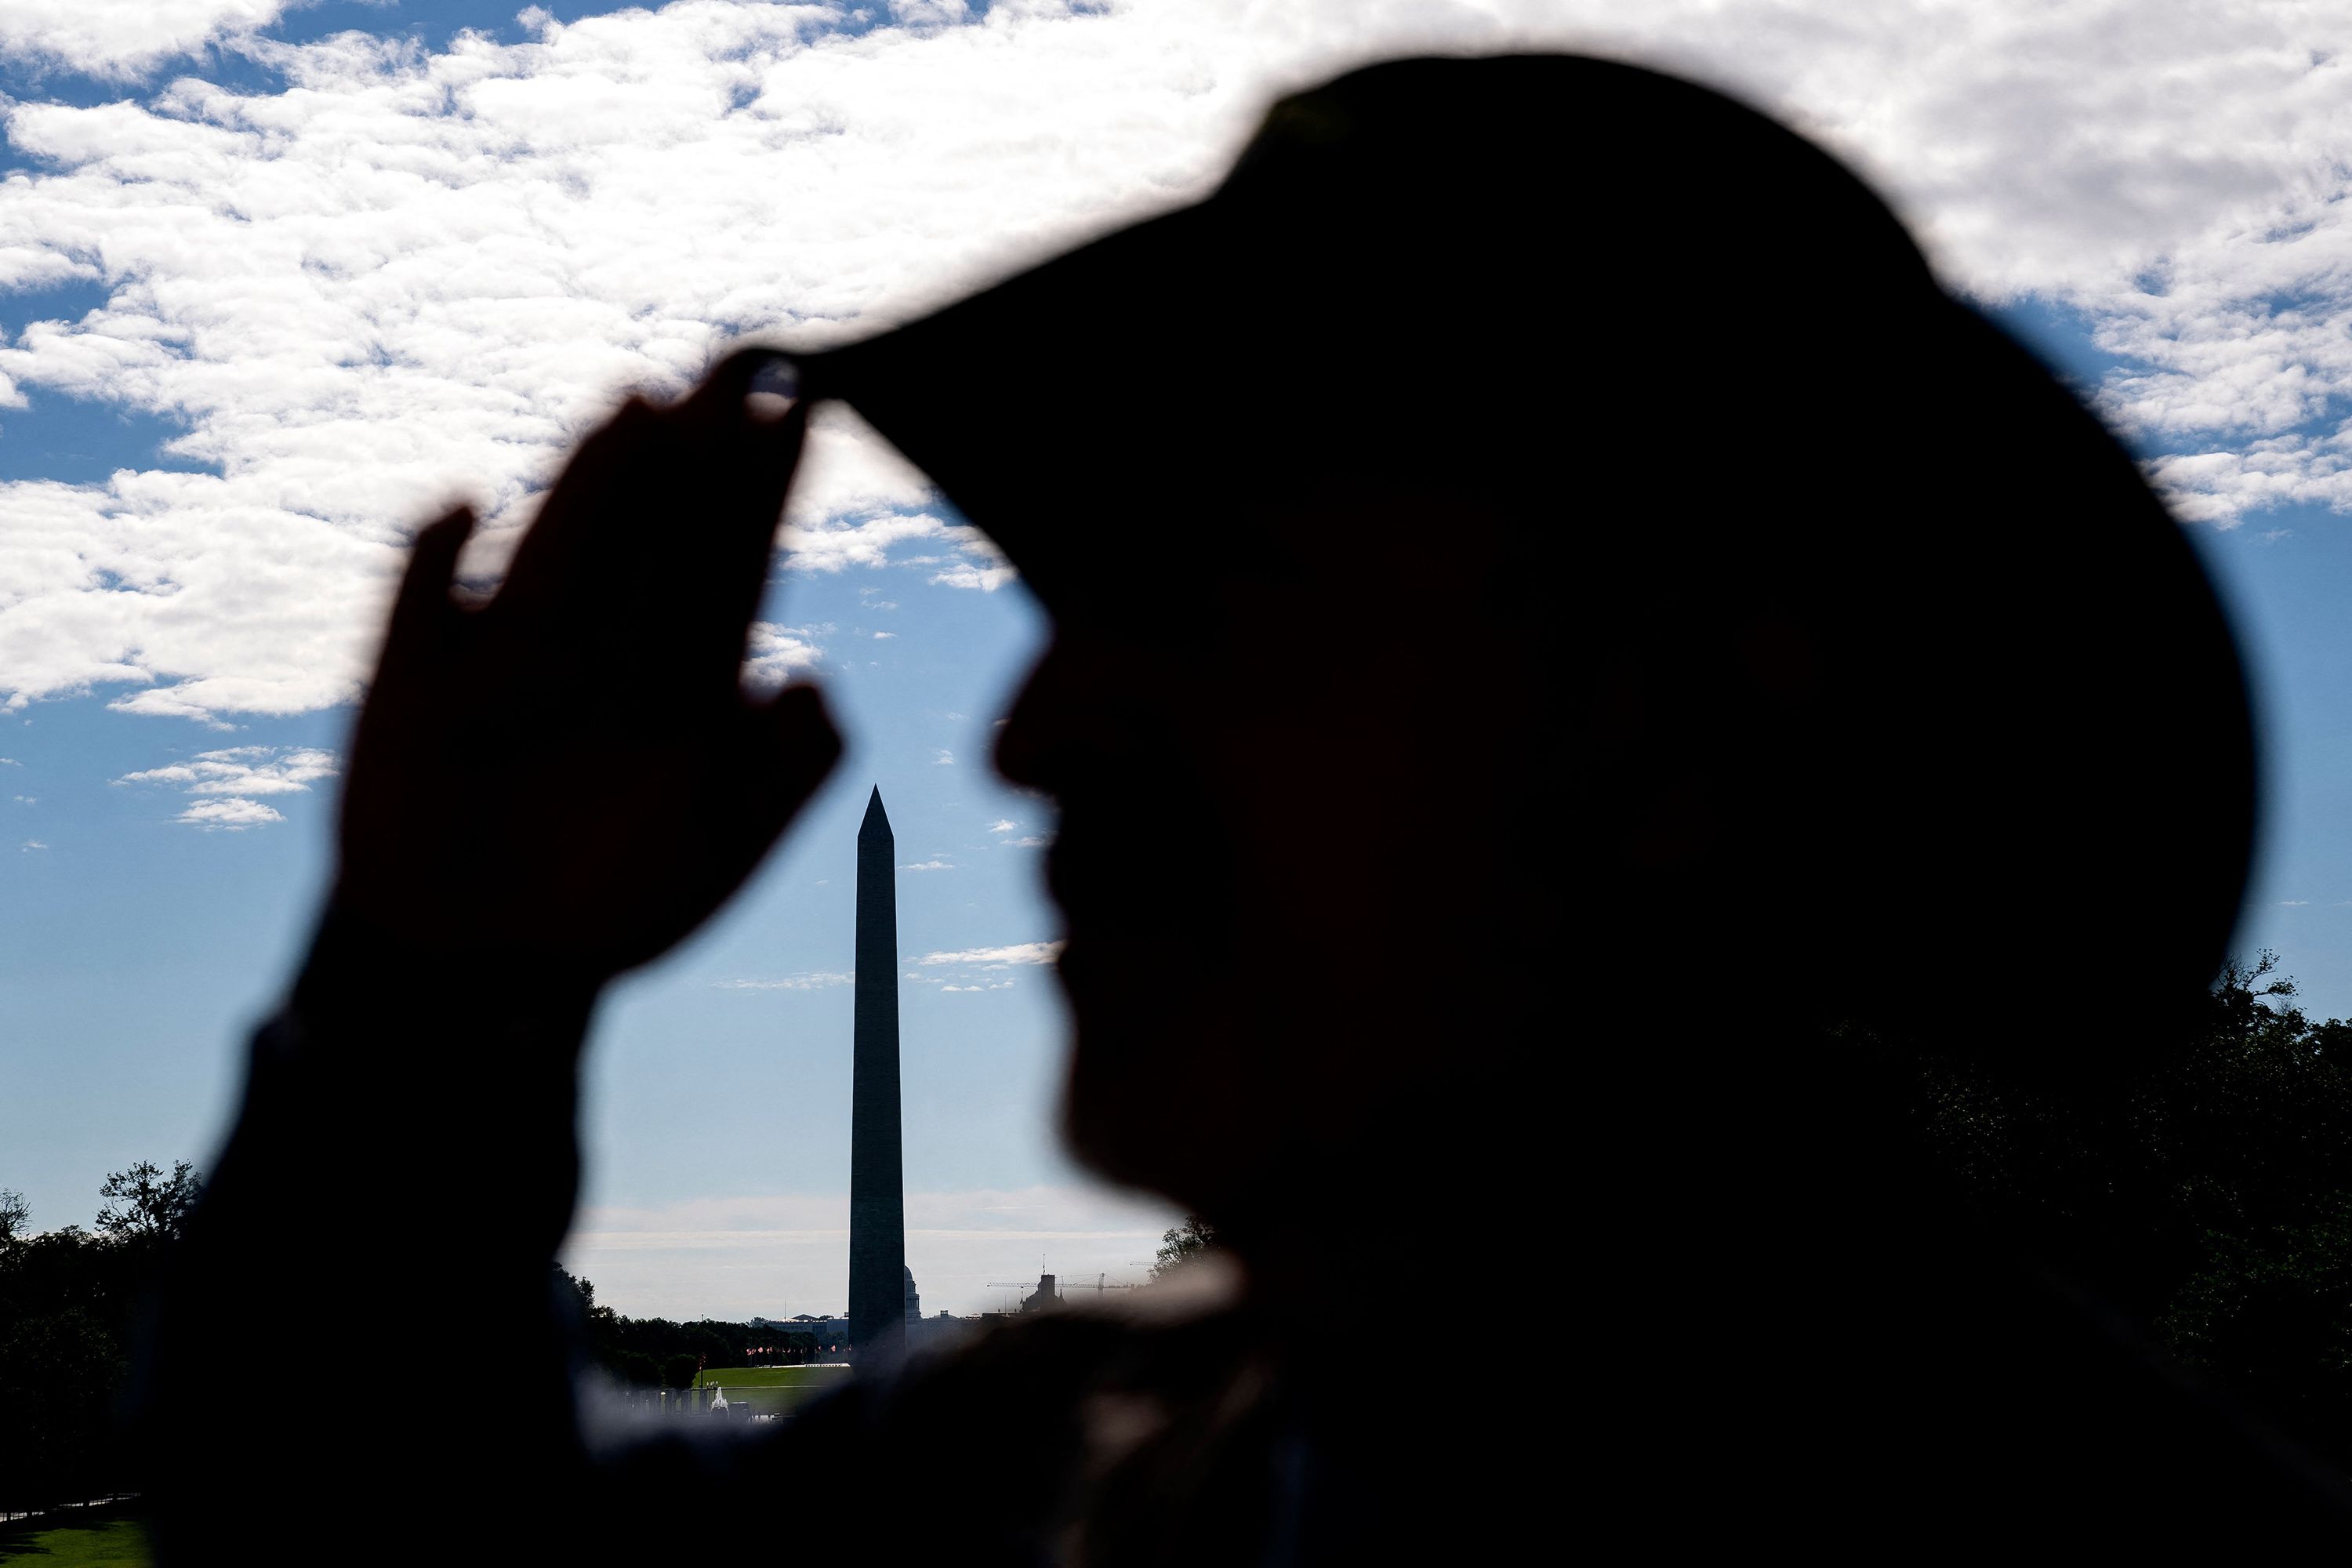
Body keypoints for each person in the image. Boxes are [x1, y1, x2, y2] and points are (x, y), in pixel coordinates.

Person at [141, 53, 2348, 1561]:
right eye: (1080, 599)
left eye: (1215, 600)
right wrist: (438, 984)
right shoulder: (1087, 1451)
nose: (1035, 736)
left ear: (1662, 732)